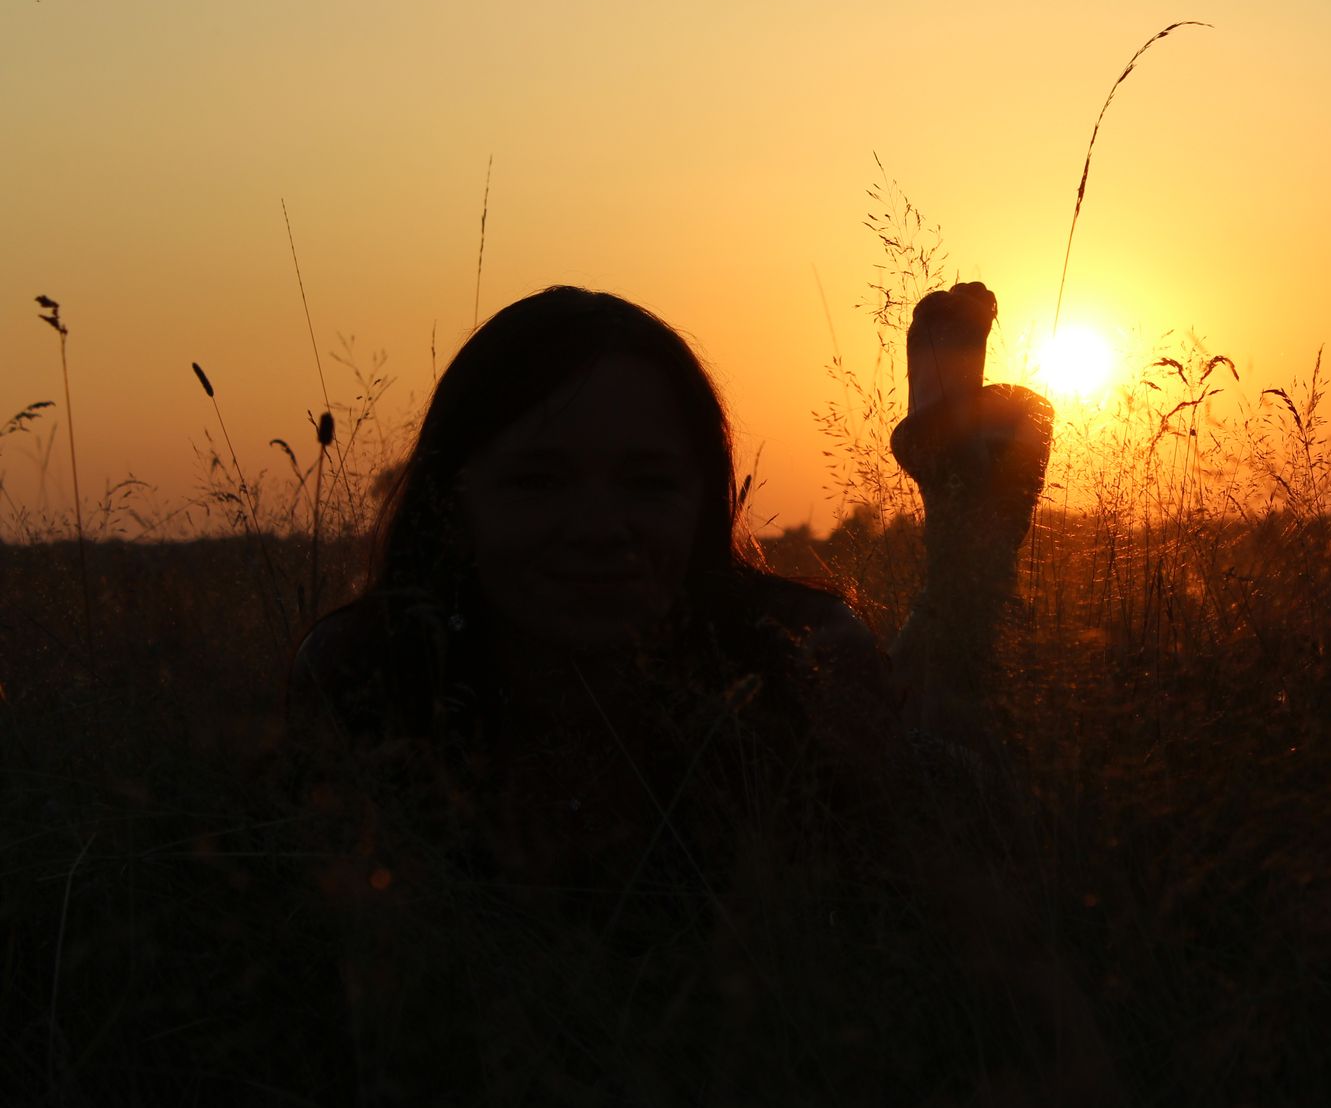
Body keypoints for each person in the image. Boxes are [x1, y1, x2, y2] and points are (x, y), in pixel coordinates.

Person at [286, 281, 1052, 895]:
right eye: (538, 480)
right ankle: (961, 517)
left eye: (648, 483)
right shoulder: (368, 675)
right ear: (456, 500)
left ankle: (965, 540)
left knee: (945, 702)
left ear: (702, 501)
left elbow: (982, 863)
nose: (597, 525)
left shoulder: (793, 658)